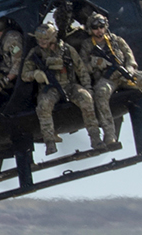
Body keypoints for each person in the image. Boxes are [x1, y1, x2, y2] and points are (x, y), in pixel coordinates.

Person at [78, 13, 142, 145]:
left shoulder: (116, 40)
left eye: (101, 26)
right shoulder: (87, 46)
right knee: (101, 94)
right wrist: (96, 63)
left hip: (124, 74)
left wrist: (130, 69)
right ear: (90, 29)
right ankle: (109, 134)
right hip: (107, 78)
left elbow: (129, 56)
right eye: (95, 28)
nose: (99, 30)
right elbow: (83, 67)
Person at [20, 21, 103, 155]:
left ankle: (95, 137)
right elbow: (24, 74)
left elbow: (81, 69)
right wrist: (35, 74)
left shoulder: (67, 49)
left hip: (69, 85)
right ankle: (50, 142)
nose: (41, 42)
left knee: (86, 98)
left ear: (53, 37)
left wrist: (88, 87)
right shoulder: (36, 53)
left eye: (45, 39)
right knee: (43, 105)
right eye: (39, 40)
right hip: (50, 88)